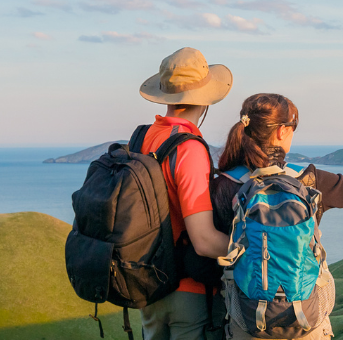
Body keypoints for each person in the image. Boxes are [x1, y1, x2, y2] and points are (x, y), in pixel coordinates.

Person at [208, 93, 343, 340]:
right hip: (306, 322)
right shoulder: (308, 182)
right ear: (282, 132)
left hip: (248, 322)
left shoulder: (223, 185)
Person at [135, 47, 235, 340]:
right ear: (205, 100)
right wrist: (255, 250)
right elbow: (203, 241)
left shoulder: (144, 137)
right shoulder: (189, 148)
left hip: (150, 287)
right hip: (189, 294)